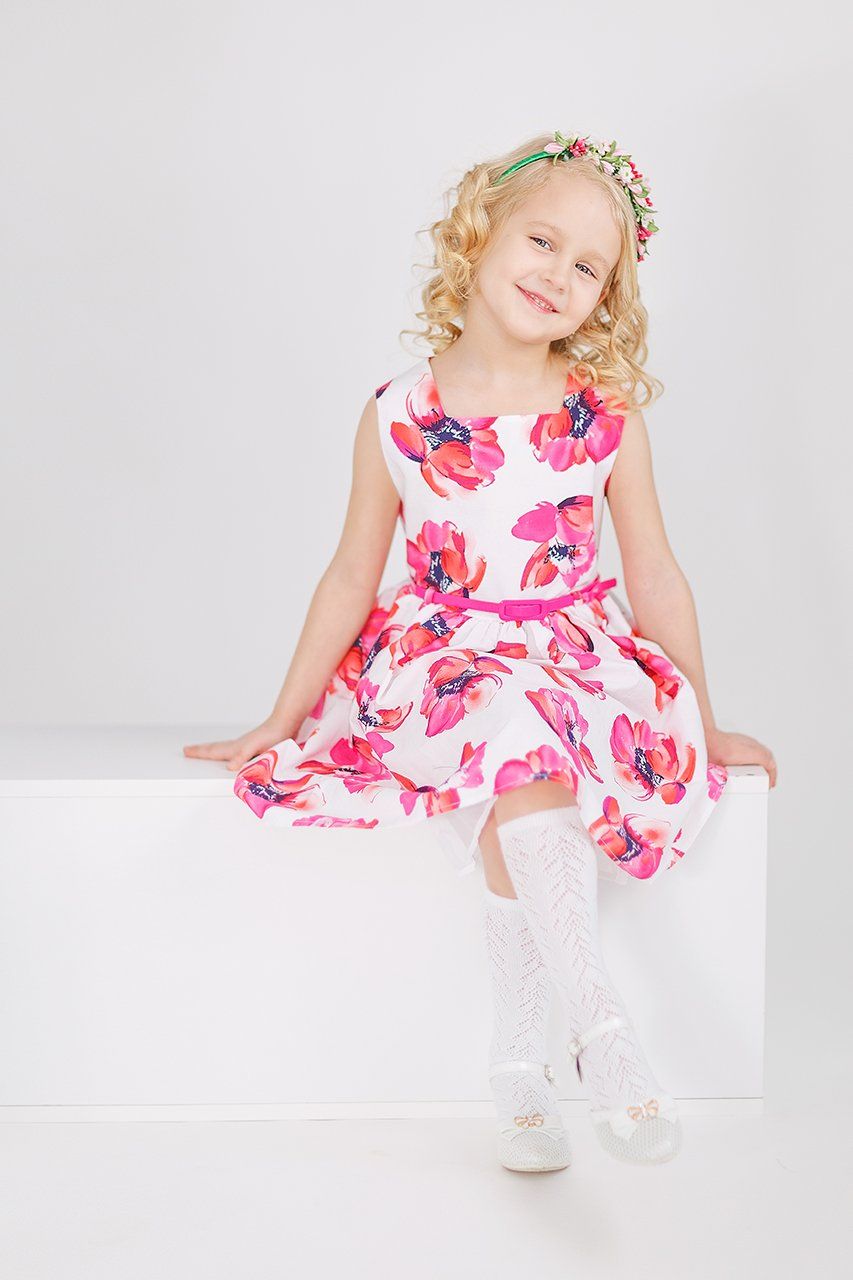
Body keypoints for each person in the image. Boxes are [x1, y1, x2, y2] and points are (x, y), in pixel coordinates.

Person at [184, 129, 777, 1172]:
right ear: (478, 234)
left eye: (587, 266)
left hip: (571, 657)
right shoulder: (397, 415)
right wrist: (280, 719)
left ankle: (518, 1066)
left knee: (528, 726)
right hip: (441, 662)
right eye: (540, 241)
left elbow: (654, 576)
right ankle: (603, 1030)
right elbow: (349, 577)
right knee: (509, 716)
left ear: (605, 297)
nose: (556, 274)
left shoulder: (603, 416)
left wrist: (703, 715)